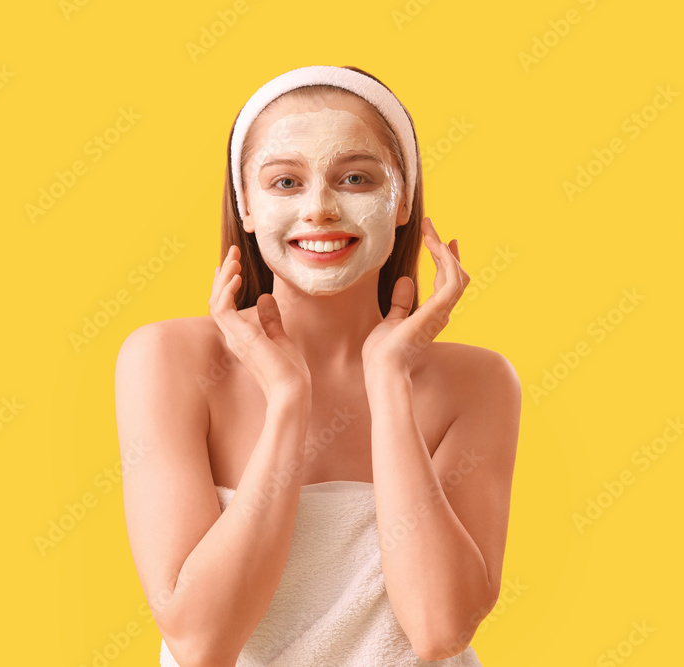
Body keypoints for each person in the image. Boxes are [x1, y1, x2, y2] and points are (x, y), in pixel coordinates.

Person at [115, 64, 521, 666]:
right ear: (246, 206)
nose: (320, 209)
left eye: (355, 177)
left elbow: (440, 630)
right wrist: (288, 401)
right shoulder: (166, 361)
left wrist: (389, 385)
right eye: (285, 183)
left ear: (401, 199)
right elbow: (201, 644)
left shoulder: (478, 383)